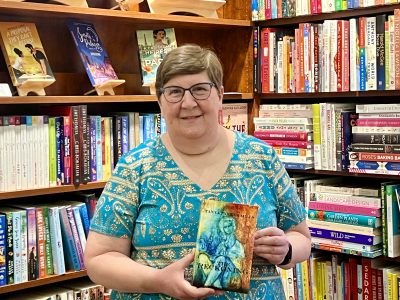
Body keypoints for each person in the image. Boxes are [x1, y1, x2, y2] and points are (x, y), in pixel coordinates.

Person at [85, 44, 311, 299]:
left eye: (200, 90)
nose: (188, 102)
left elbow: (301, 238)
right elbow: (99, 259)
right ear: (159, 100)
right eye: (174, 92)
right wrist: (157, 281)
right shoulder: (136, 166)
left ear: (220, 95)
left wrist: (287, 249)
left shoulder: (262, 158)